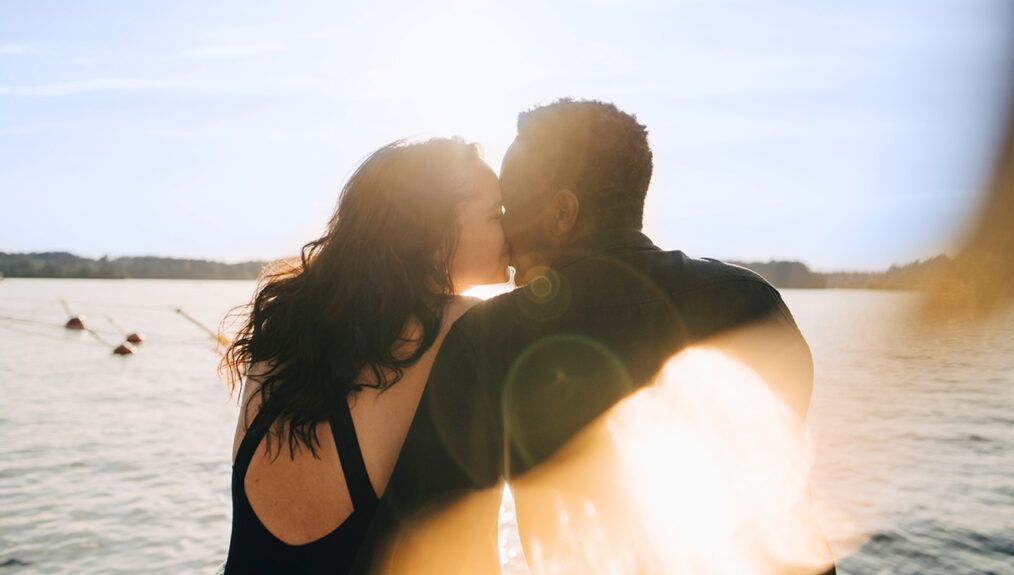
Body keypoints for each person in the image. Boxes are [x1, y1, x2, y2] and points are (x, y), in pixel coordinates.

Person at [352, 99, 835, 574]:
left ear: (562, 213)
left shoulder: (489, 338)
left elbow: (432, 548)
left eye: (510, 212)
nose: (507, 241)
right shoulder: (752, 303)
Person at [220, 138, 509, 574]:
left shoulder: (287, 324)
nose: (515, 227)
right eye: (497, 214)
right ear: (434, 233)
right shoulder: (466, 328)